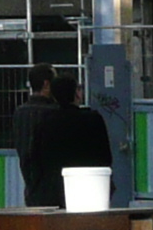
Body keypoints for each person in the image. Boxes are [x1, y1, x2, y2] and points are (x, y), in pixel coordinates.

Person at [14, 65, 116, 208]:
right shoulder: (92, 119)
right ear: (77, 94)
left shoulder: (40, 121)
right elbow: (105, 157)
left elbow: (33, 158)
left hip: (48, 194)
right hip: (90, 190)